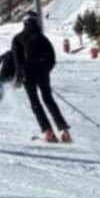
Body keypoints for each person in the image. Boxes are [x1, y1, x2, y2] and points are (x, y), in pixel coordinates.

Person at [11, 10, 71, 142]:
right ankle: (64, 130)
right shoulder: (43, 38)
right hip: (43, 74)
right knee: (49, 100)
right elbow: (52, 58)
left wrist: (20, 76)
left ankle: (48, 131)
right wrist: (45, 70)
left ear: (25, 22)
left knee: (35, 103)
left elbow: (17, 61)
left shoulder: (18, 39)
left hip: (28, 75)